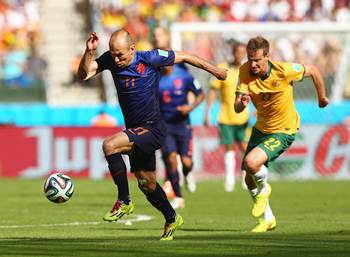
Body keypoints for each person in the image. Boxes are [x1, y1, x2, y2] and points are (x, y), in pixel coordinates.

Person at [77, 29, 226, 240]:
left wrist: (216, 71)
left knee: (109, 145)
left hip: (153, 128)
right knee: (147, 184)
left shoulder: (150, 58)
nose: (116, 59)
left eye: (121, 54)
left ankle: (124, 200)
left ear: (132, 49)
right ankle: (172, 218)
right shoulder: (110, 59)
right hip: (135, 130)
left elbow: (186, 56)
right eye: (113, 54)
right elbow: (83, 75)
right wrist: (89, 53)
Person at [234, 36, 328, 233]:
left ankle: (265, 189)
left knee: (252, 163)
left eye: (257, 60)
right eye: (250, 59)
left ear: (267, 57)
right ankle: (268, 219)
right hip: (261, 128)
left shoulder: (283, 70)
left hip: (284, 129)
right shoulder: (244, 71)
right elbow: (237, 107)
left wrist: (321, 97)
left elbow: (314, 70)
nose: (253, 64)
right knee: (248, 179)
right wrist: (240, 104)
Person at [153, 26, 200, 207]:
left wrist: (189, 105)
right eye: (155, 35)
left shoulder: (180, 64)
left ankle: (187, 173)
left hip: (182, 122)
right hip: (164, 123)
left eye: (160, 35)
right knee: (170, 159)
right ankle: (178, 196)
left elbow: (193, 88)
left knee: (186, 162)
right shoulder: (153, 63)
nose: (157, 38)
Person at [205, 42, 249, 192]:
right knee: (229, 148)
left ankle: (245, 177)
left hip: (243, 117)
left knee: (245, 148)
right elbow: (212, 91)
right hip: (226, 116)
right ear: (233, 52)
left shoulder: (248, 70)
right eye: (238, 52)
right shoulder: (224, 68)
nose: (240, 55)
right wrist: (207, 112)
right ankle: (229, 179)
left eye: (243, 52)